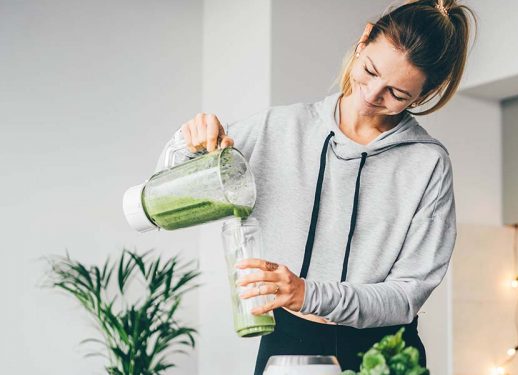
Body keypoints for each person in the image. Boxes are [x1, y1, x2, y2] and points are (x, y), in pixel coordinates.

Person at [157, 0, 475, 372]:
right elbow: (166, 195)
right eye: (370, 70)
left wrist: (307, 294)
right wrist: (189, 143)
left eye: (397, 94)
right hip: (288, 341)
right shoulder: (278, 128)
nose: (372, 95)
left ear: (422, 96)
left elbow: (407, 295)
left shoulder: (427, 164)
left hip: (385, 351)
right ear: (363, 40)